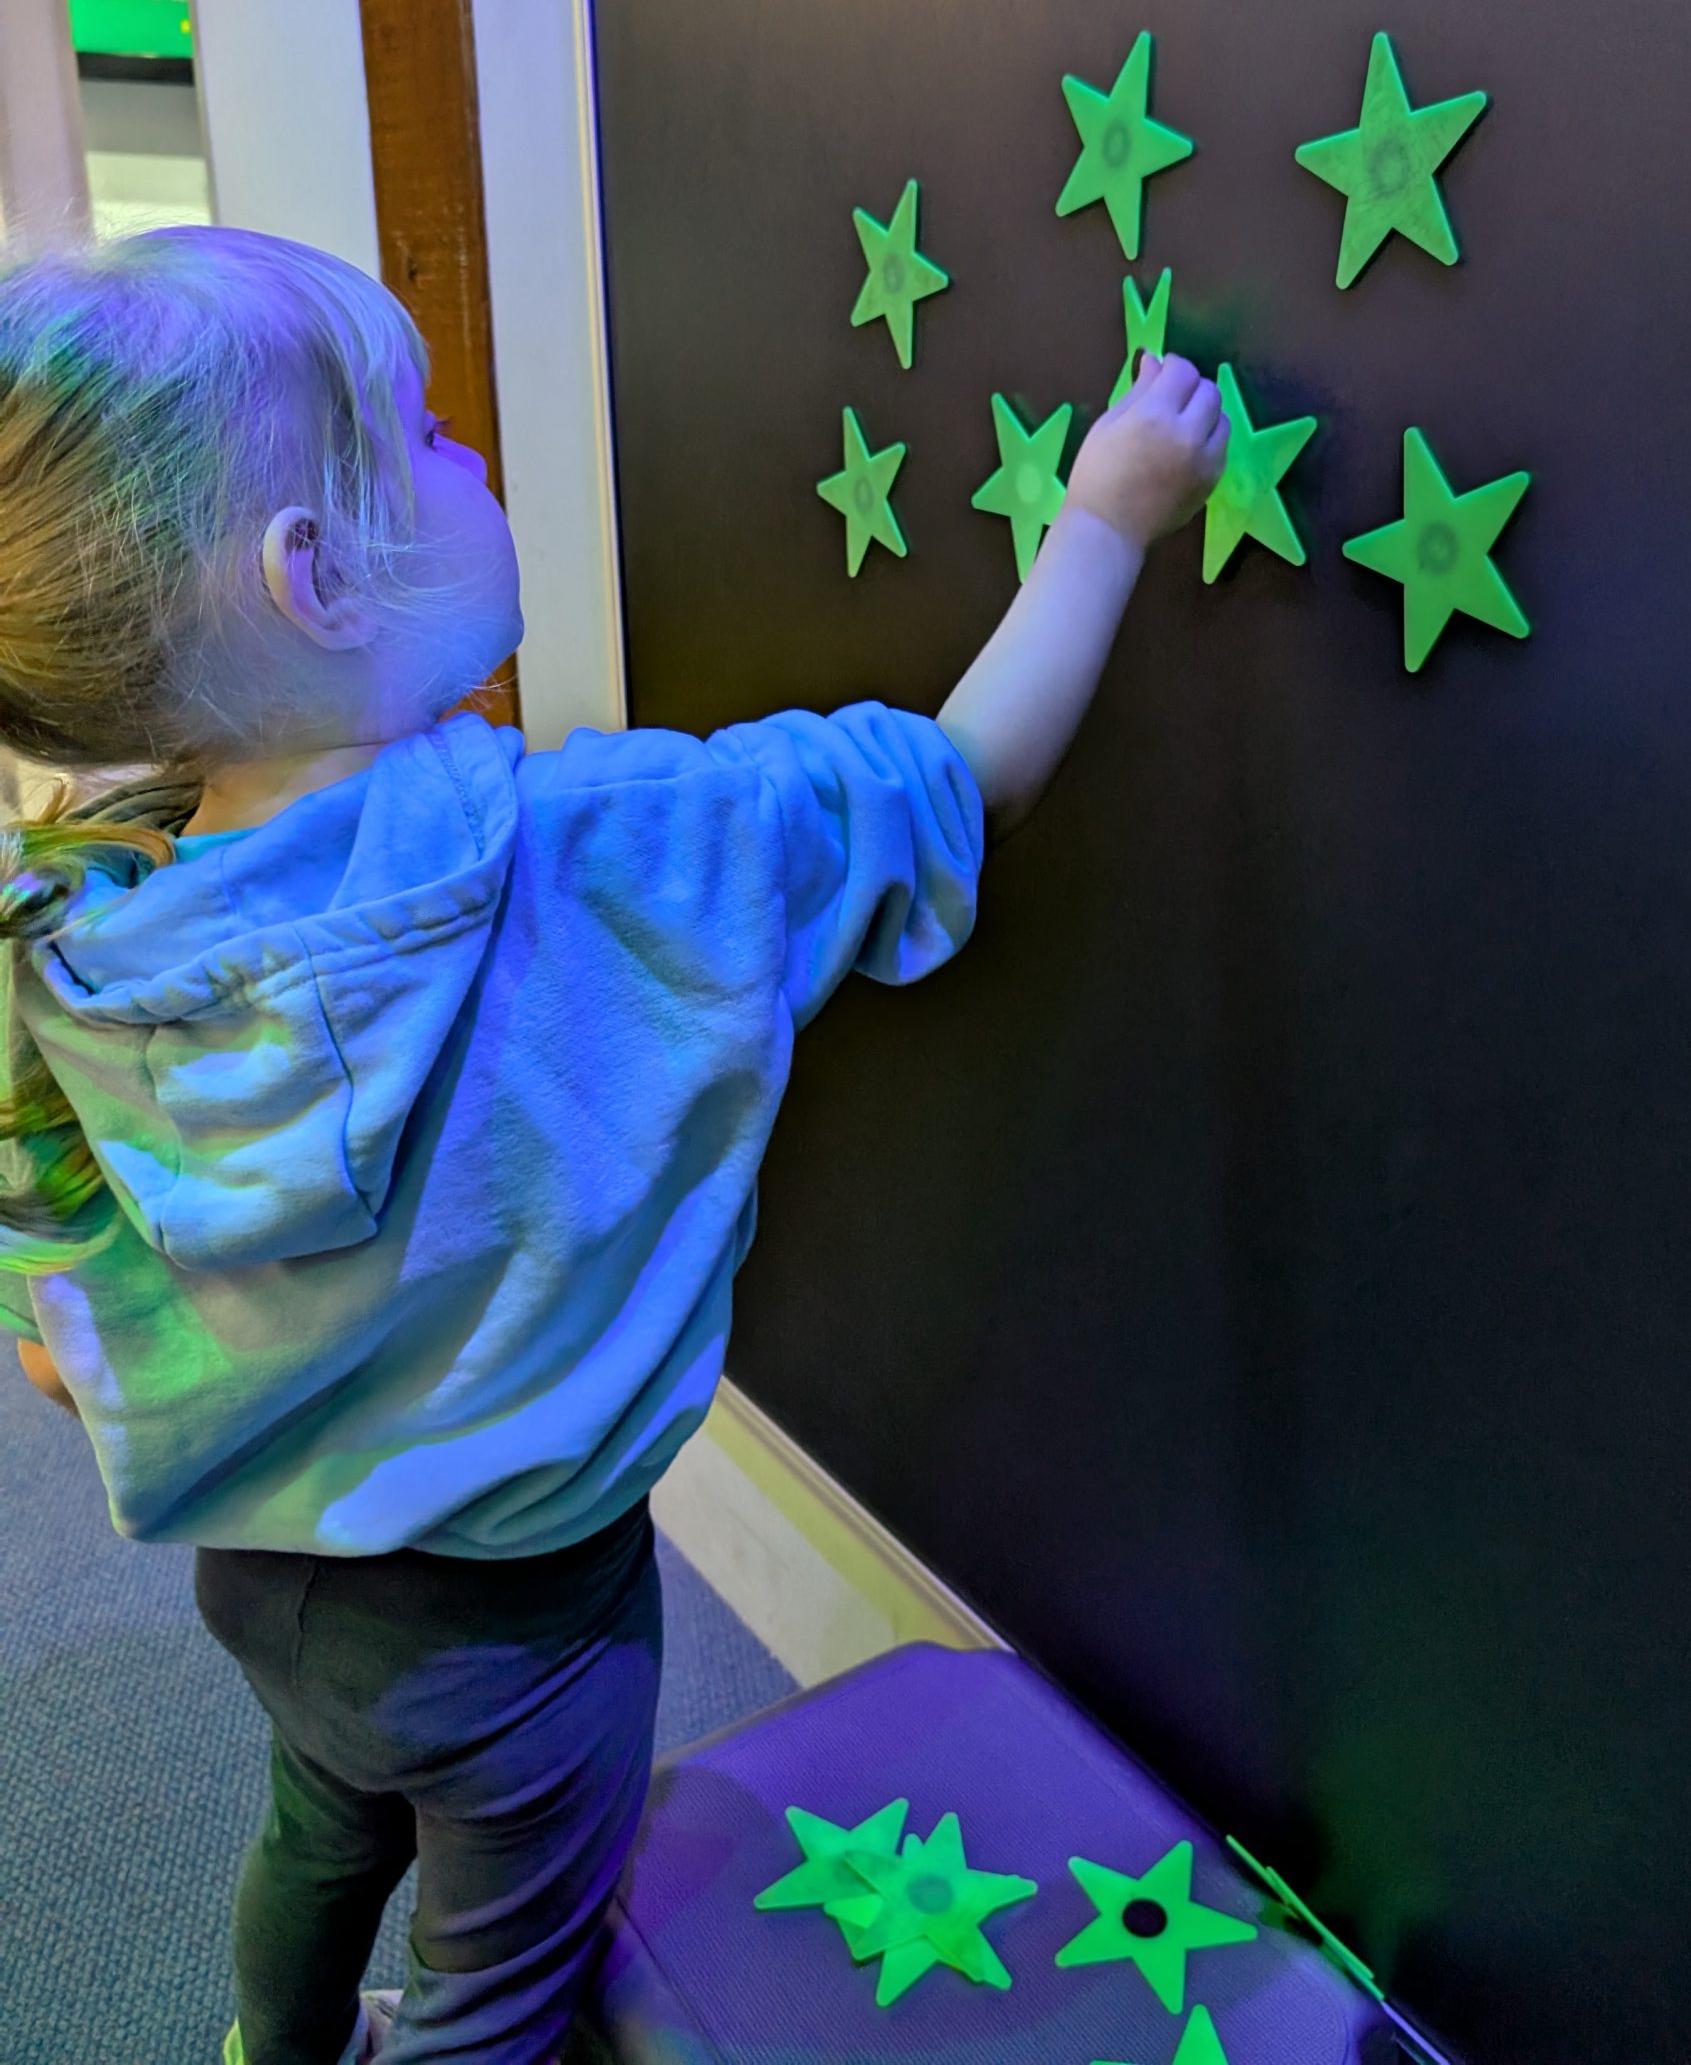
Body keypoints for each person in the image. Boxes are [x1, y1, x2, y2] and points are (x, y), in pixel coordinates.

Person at [0, 226, 1227, 2065]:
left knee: (316, 1834)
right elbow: (958, 784)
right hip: (524, 1621)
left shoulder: (82, 914)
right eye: (419, 434)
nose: (471, 453)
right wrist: (1110, 517)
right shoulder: (618, 848)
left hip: (267, 1575)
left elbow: (51, 1305)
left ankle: (278, 2046)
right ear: (319, 576)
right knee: (505, 1986)